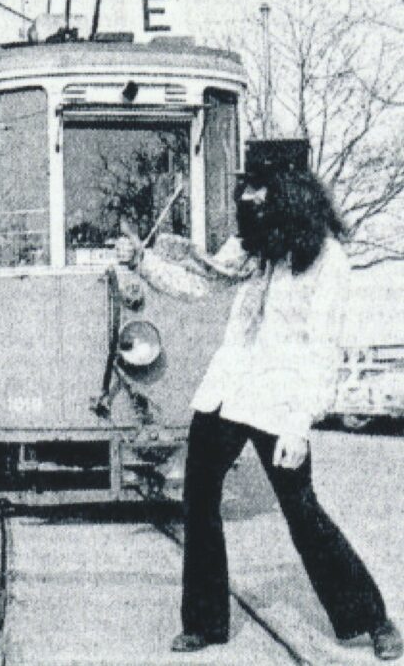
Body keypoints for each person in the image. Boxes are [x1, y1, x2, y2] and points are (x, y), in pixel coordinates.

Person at [117, 165, 403, 661]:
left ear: (290, 202)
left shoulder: (328, 260)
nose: (249, 214)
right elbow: (198, 284)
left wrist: (299, 427)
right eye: (245, 204)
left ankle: (372, 620)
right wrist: (142, 261)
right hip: (226, 392)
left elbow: (323, 350)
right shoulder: (253, 246)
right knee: (199, 501)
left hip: (280, 403)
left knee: (303, 513)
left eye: (259, 204)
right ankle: (205, 624)